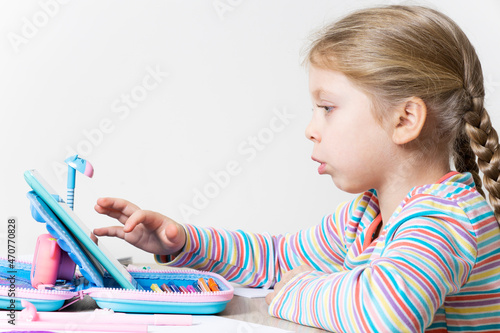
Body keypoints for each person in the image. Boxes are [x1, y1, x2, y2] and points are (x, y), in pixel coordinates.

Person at [93, 5, 500, 332]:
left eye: (327, 109)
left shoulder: (446, 218)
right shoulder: (365, 215)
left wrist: (293, 292)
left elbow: (386, 313)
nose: (310, 130)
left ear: (404, 120)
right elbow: (279, 257)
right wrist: (184, 243)